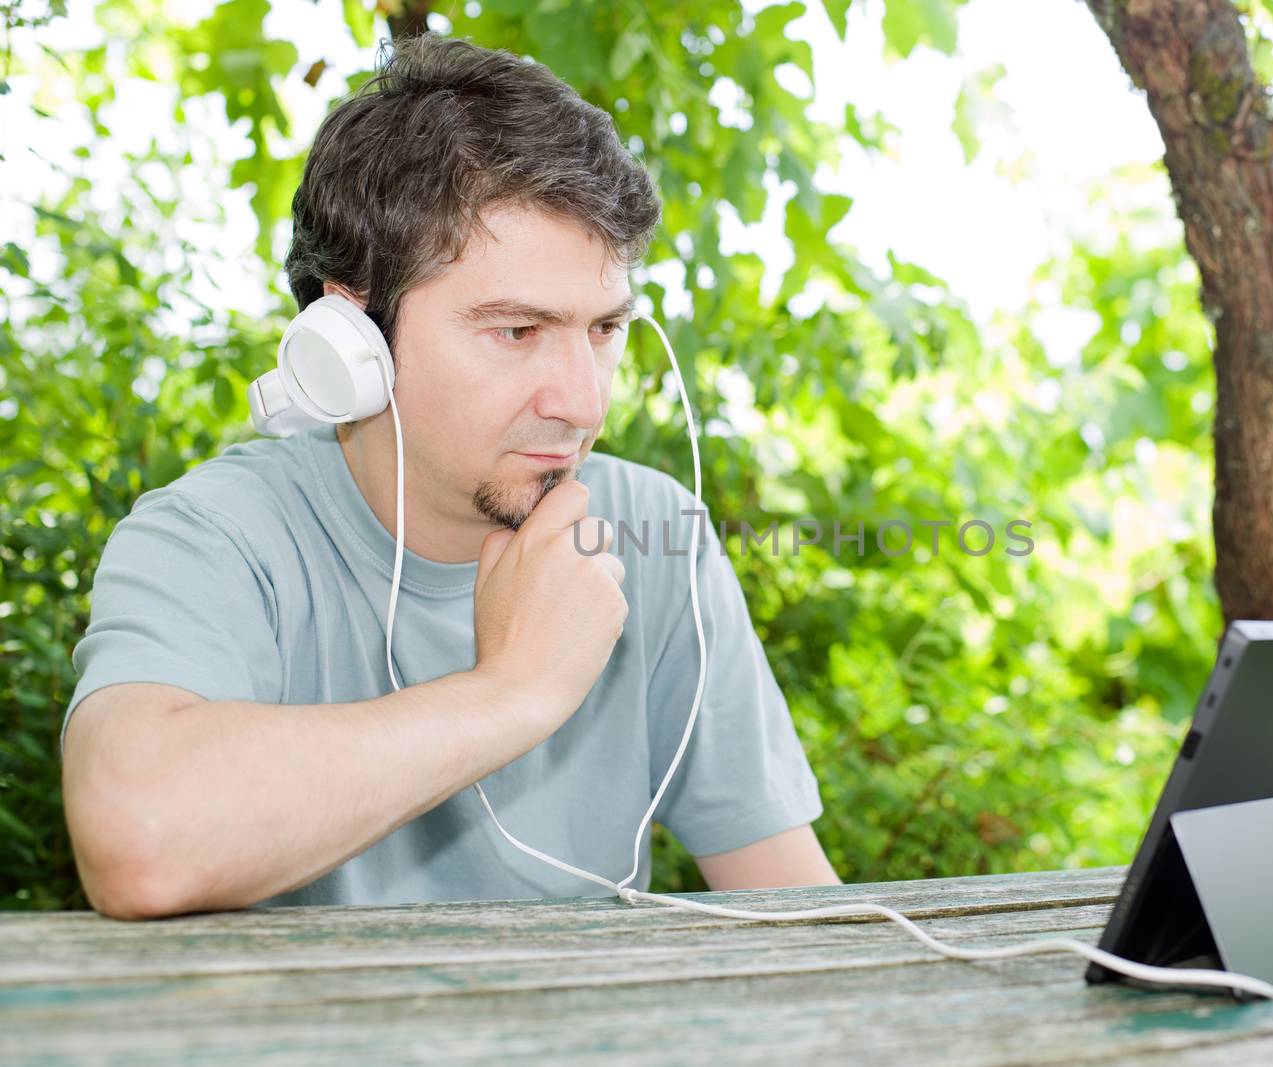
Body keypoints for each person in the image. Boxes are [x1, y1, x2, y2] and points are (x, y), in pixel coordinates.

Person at [60, 32, 838, 920]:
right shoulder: (215, 537)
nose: (583, 405)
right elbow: (140, 838)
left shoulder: (653, 530)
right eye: (517, 332)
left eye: (603, 330)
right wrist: (513, 691)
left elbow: (796, 904)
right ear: (349, 340)